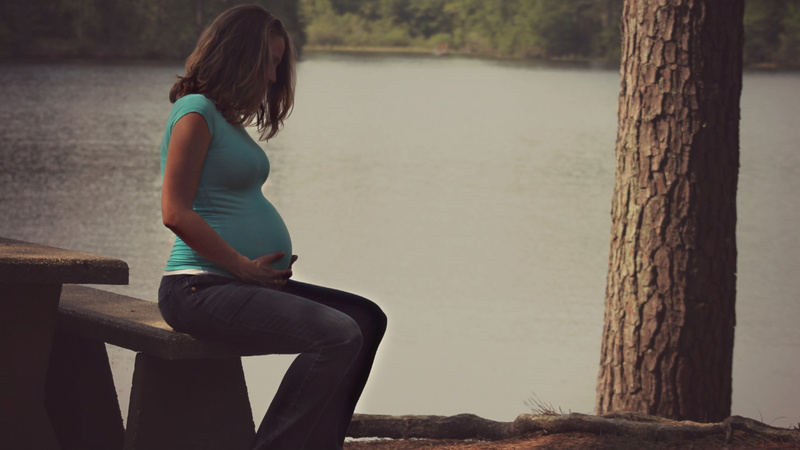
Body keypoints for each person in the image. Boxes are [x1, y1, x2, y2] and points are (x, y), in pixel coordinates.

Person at [156, 5, 387, 449]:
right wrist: (242, 264)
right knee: (338, 334)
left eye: (278, 63)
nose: (273, 75)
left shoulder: (224, 120)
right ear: (238, 56)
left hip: (240, 284)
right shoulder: (194, 111)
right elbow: (175, 211)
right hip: (197, 288)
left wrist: (256, 265)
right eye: (270, 61)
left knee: (365, 318)